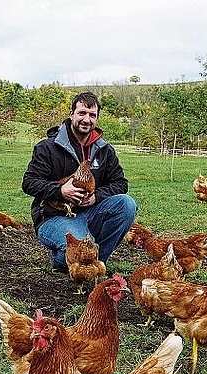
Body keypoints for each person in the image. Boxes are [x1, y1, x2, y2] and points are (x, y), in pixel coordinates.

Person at [22, 91, 137, 271]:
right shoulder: (48, 147)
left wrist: (96, 197)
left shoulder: (104, 150)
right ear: (71, 114)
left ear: (97, 118)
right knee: (80, 251)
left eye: (92, 115)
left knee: (126, 204)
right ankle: (65, 260)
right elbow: (29, 182)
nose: (86, 119)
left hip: (91, 212)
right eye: (82, 113)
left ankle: (97, 261)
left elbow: (120, 183)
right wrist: (60, 191)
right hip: (54, 216)